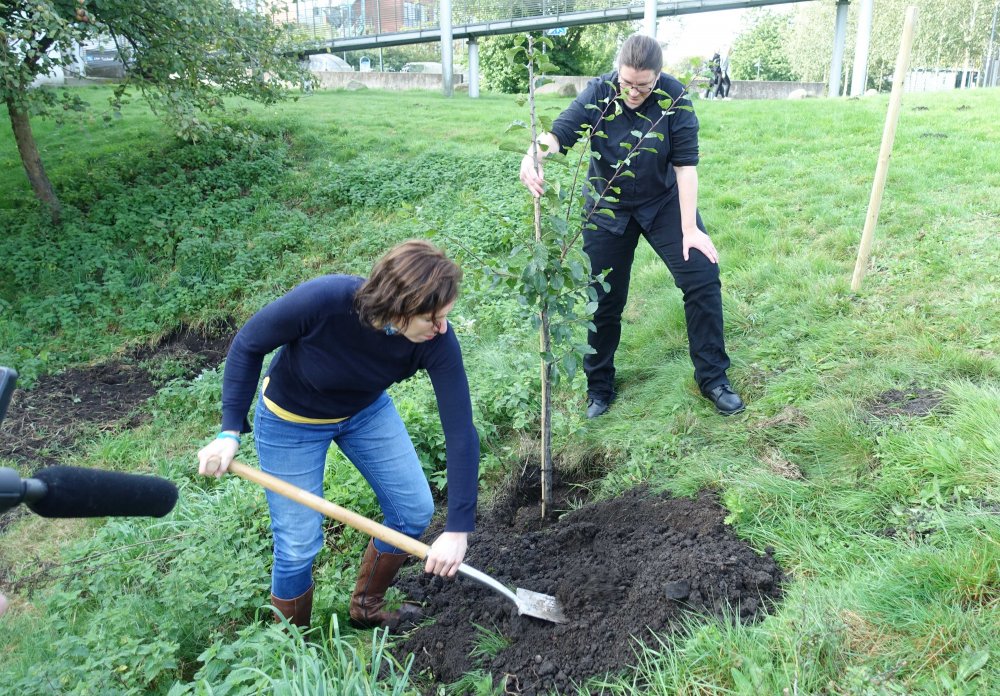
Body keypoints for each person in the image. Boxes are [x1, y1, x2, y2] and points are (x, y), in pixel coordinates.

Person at [197, 240, 479, 630]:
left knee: (414, 511)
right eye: (433, 318)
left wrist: (458, 529)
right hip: (289, 422)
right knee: (297, 546)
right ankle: (293, 645)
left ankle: (367, 606)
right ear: (401, 305)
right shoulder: (327, 300)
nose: (442, 327)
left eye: (445, 316)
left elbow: (461, 431)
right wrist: (230, 430)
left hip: (364, 412)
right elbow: (249, 344)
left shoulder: (436, 341)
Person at [519, 33, 745, 418]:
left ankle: (713, 379)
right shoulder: (600, 91)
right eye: (627, 83)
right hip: (607, 209)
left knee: (702, 275)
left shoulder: (675, 97)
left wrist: (689, 229)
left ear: (658, 76)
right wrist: (534, 153)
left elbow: (686, 166)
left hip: (663, 203)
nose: (634, 92)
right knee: (604, 300)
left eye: (643, 85)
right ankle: (599, 388)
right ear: (617, 72)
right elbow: (559, 134)